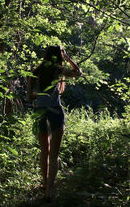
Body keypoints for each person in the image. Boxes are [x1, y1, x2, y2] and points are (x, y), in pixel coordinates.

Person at [26, 45, 82, 201]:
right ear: (59, 56)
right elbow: (78, 73)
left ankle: (45, 184)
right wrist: (68, 58)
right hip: (55, 113)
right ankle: (49, 191)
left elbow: (29, 97)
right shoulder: (58, 70)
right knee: (54, 154)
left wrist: (40, 94)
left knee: (44, 151)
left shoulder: (34, 72)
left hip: (39, 114)